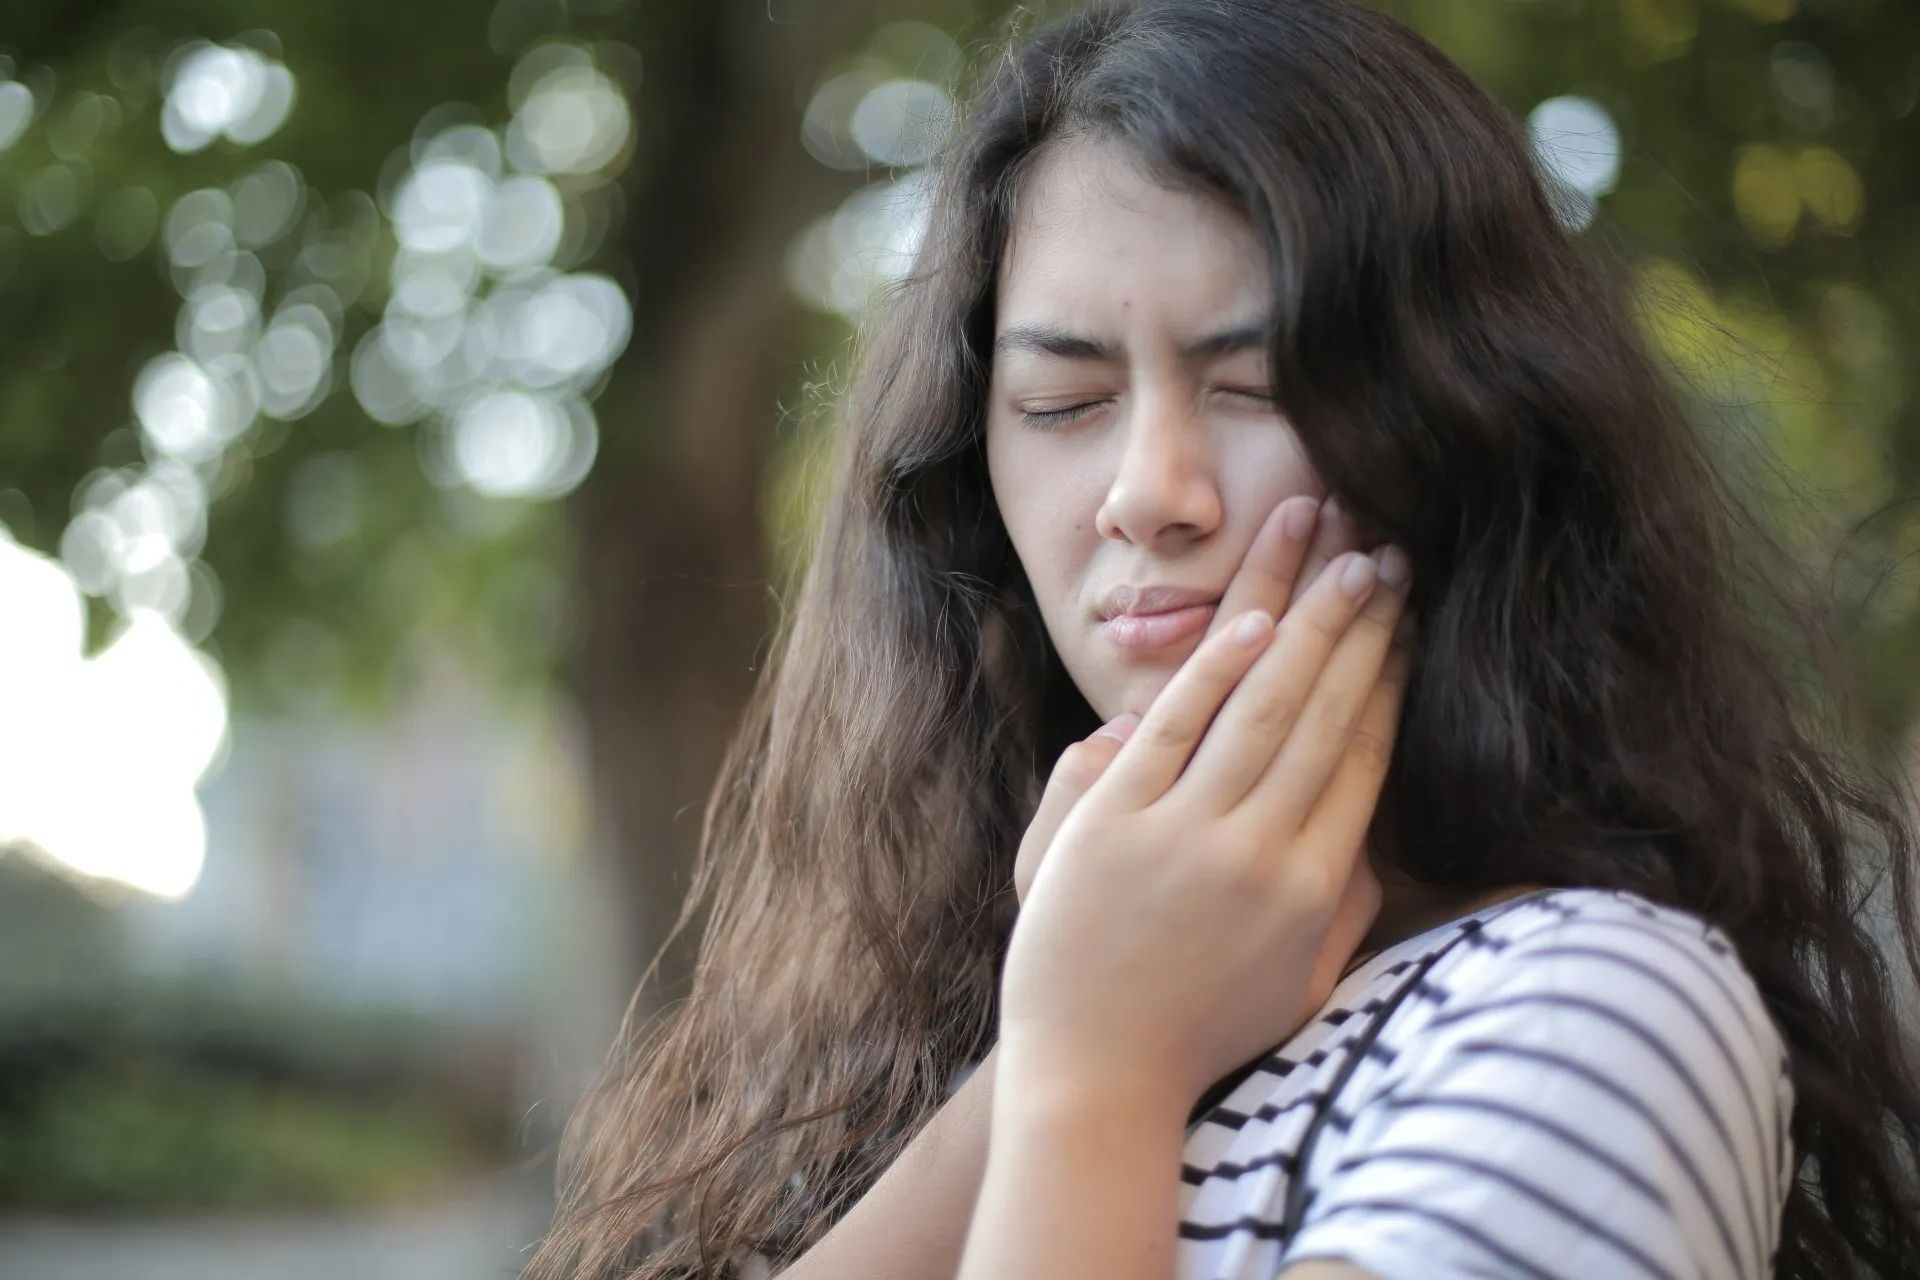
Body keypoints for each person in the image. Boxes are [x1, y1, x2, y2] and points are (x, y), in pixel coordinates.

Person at [522, 2, 1920, 1278]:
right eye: (1063, 403)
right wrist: (1047, 1046)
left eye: (1253, 382)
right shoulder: (987, 1023)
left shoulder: (1592, 1014)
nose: (1147, 493)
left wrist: (1105, 1076)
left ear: (1471, 431)